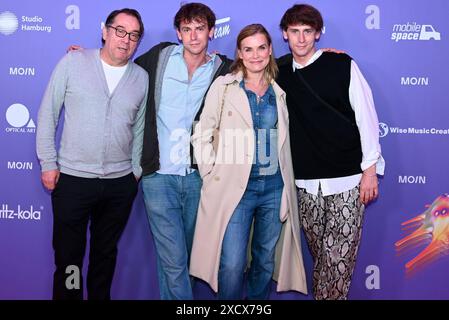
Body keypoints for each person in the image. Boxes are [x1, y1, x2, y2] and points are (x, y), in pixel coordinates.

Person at [36, 8, 148, 300]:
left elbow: (138, 128)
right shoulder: (74, 62)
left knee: (104, 255)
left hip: (119, 184)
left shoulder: (141, 78)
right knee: (70, 260)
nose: (125, 40)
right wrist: (48, 162)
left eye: (133, 35)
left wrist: (135, 171)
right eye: (120, 31)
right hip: (73, 180)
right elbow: (48, 113)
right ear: (105, 31)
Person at [190, 24, 307, 300]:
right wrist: (210, 172)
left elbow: (308, 59)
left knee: (264, 261)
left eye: (261, 48)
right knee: (231, 265)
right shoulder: (224, 86)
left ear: (270, 51)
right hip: (234, 189)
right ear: (240, 54)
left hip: (273, 188)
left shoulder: (279, 91)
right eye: (248, 49)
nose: (255, 55)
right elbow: (201, 133)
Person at [276, 4, 385, 300]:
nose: (301, 39)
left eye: (307, 32)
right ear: (285, 34)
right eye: (295, 32)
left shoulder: (342, 65)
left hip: (348, 181)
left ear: (318, 34)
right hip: (305, 185)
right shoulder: (279, 72)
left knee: (337, 262)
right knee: (324, 261)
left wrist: (370, 171)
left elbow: (366, 117)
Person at [133, 3, 232, 300]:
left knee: (181, 261)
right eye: (187, 29)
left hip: (197, 179)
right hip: (158, 177)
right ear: (178, 33)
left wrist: (316, 56)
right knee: (175, 261)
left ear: (211, 32)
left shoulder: (223, 69)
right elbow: (120, 68)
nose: (193, 36)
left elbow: (261, 66)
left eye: (200, 29)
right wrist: (89, 59)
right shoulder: (160, 57)